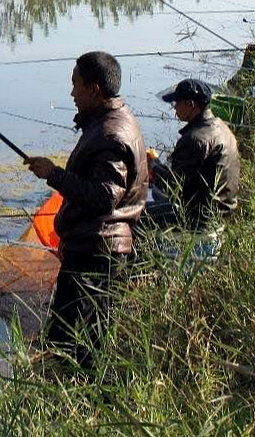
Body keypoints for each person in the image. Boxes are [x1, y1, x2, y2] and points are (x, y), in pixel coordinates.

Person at [25, 51, 147, 367]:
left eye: (75, 84)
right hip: (94, 248)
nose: (71, 93)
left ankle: (77, 405)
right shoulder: (108, 123)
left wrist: (54, 174)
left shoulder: (111, 134)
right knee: (74, 343)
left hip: (96, 255)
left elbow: (104, 198)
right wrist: (51, 171)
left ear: (93, 88)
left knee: (77, 346)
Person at [145, 79, 240, 235]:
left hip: (200, 217)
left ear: (191, 104)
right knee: (155, 192)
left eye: (177, 103)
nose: (175, 109)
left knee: (135, 215)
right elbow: (183, 178)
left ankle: (134, 255)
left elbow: (174, 187)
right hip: (223, 210)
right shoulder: (220, 126)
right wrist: (158, 167)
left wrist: (153, 166)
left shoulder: (195, 139)